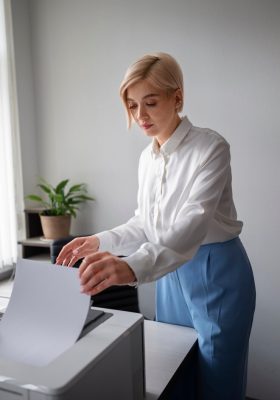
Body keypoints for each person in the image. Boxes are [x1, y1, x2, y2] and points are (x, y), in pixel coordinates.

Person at [56, 52, 256, 399]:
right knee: (174, 372)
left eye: (150, 102)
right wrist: (100, 242)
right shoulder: (147, 159)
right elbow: (145, 223)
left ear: (177, 97)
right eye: (132, 106)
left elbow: (191, 223)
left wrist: (131, 265)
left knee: (217, 382)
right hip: (168, 273)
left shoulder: (211, 147)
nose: (140, 115)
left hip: (216, 274)